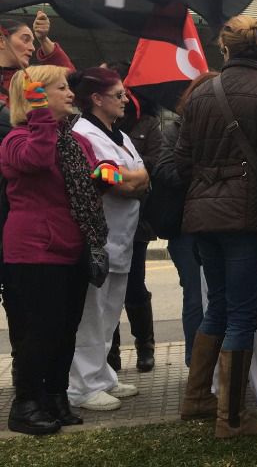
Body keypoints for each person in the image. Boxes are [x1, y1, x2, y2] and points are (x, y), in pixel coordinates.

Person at [176, 16, 257, 438]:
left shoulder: (201, 92)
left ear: (224, 49)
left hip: (203, 214)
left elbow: (181, 161)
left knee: (219, 306)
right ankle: (233, 418)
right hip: (248, 216)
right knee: (244, 314)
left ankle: (197, 397)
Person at [1, 66, 109, 434]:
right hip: (34, 252)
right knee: (39, 332)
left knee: (65, 330)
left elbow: (93, 178)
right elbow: (35, 159)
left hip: (72, 248)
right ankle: (26, 405)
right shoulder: (16, 139)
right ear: (36, 97)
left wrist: (111, 175)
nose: (70, 93)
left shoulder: (76, 141)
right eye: (60, 88)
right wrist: (39, 117)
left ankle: (56, 397)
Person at [67, 67, 150, 411]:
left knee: (110, 312)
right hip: (99, 238)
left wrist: (131, 178)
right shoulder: (83, 134)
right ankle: (81, 387)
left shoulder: (120, 136)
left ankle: (102, 376)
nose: (125, 101)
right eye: (118, 95)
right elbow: (114, 179)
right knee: (92, 314)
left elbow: (143, 177)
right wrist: (131, 179)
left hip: (123, 238)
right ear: (96, 99)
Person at [152, 72, 217, 368]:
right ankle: (197, 365)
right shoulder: (175, 131)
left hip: (218, 221)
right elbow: (166, 171)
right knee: (195, 296)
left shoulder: (225, 130)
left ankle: (220, 364)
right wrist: (205, 170)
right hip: (185, 226)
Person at [107, 82, 163, 374]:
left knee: (134, 286)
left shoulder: (147, 125)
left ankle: (145, 346)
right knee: (105, 288)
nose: (122, 99)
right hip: (105, 220)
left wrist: (131, 175)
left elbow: (154, 162)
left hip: (137, 219)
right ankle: (110, 351)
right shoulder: (94, 128)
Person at [1, 12, 75, 95]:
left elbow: (71, 80)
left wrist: (43, 39)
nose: (32, 48)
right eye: (25, 40)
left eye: (32, 42)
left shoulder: (32, 82)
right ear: (1, 41)